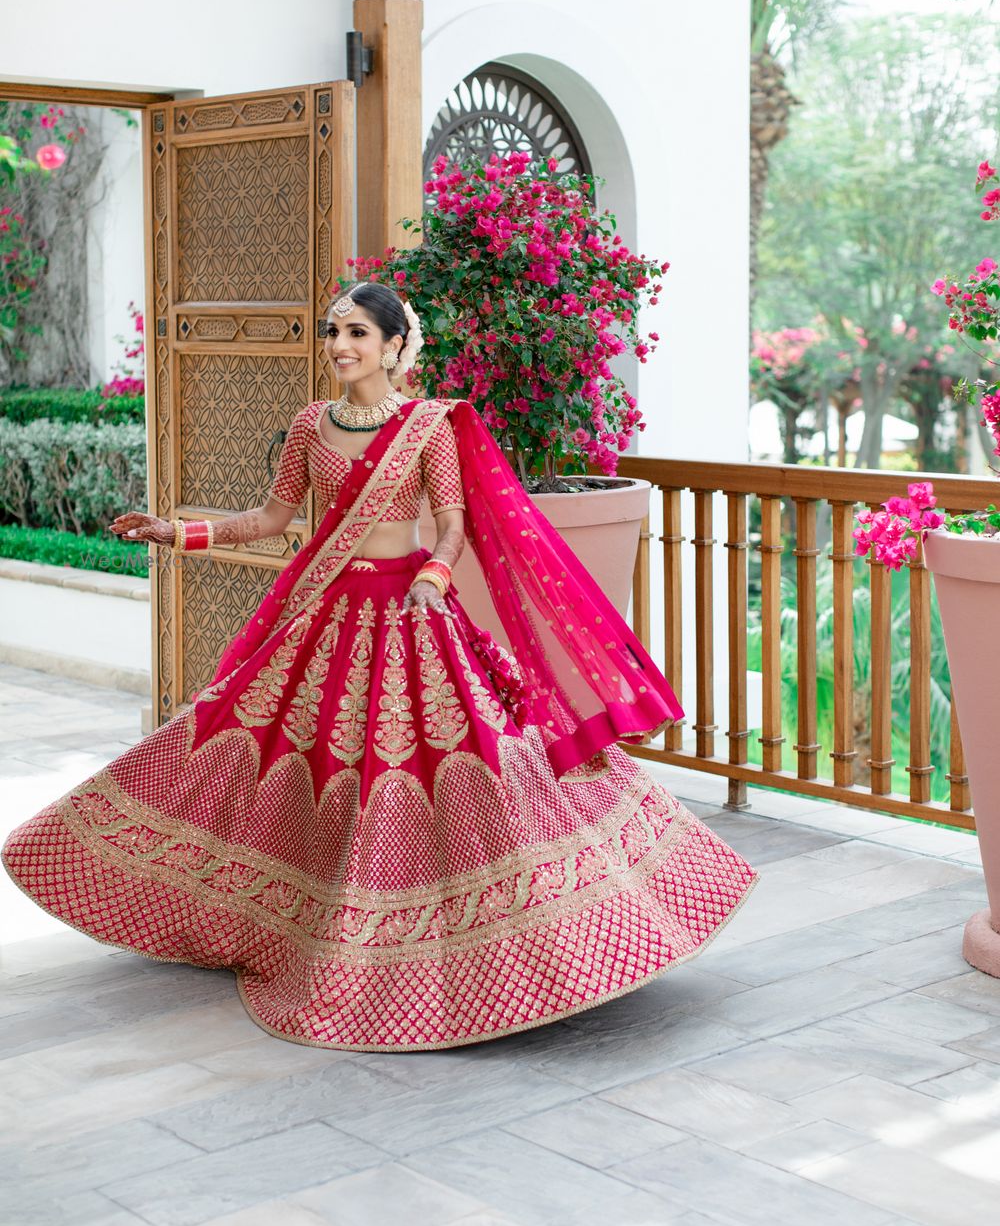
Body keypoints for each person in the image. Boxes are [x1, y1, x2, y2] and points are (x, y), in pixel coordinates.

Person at [2, 283, 758, 1052]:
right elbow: (272, 522)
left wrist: (434, 576)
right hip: (327, 619)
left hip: (413, 619)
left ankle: (530, 942)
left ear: (397, 346)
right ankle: (299, 921)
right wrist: (178, 532)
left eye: (358, 333)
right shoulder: (309, 426)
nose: (340, 346)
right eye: (334, 332)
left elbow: (452, 526)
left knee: (477, 767)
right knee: (262, 747)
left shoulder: (429, 426)